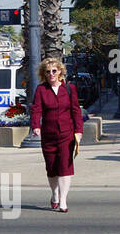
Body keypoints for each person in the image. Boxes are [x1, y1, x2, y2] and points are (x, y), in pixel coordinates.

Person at [29, 57, 84, 212]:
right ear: (44, 74)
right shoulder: (41, 90)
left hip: (67, 133)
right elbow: (36, 109)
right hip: (48, 134)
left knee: (65, 167)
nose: (51, 74)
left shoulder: (69, 88)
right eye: (48, 72)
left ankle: (63, 201)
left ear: (60, 71)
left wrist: (78, 131)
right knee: (52, 167)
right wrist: (35, 126)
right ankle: (55, 194)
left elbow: (76, 111)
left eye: (54, 70)